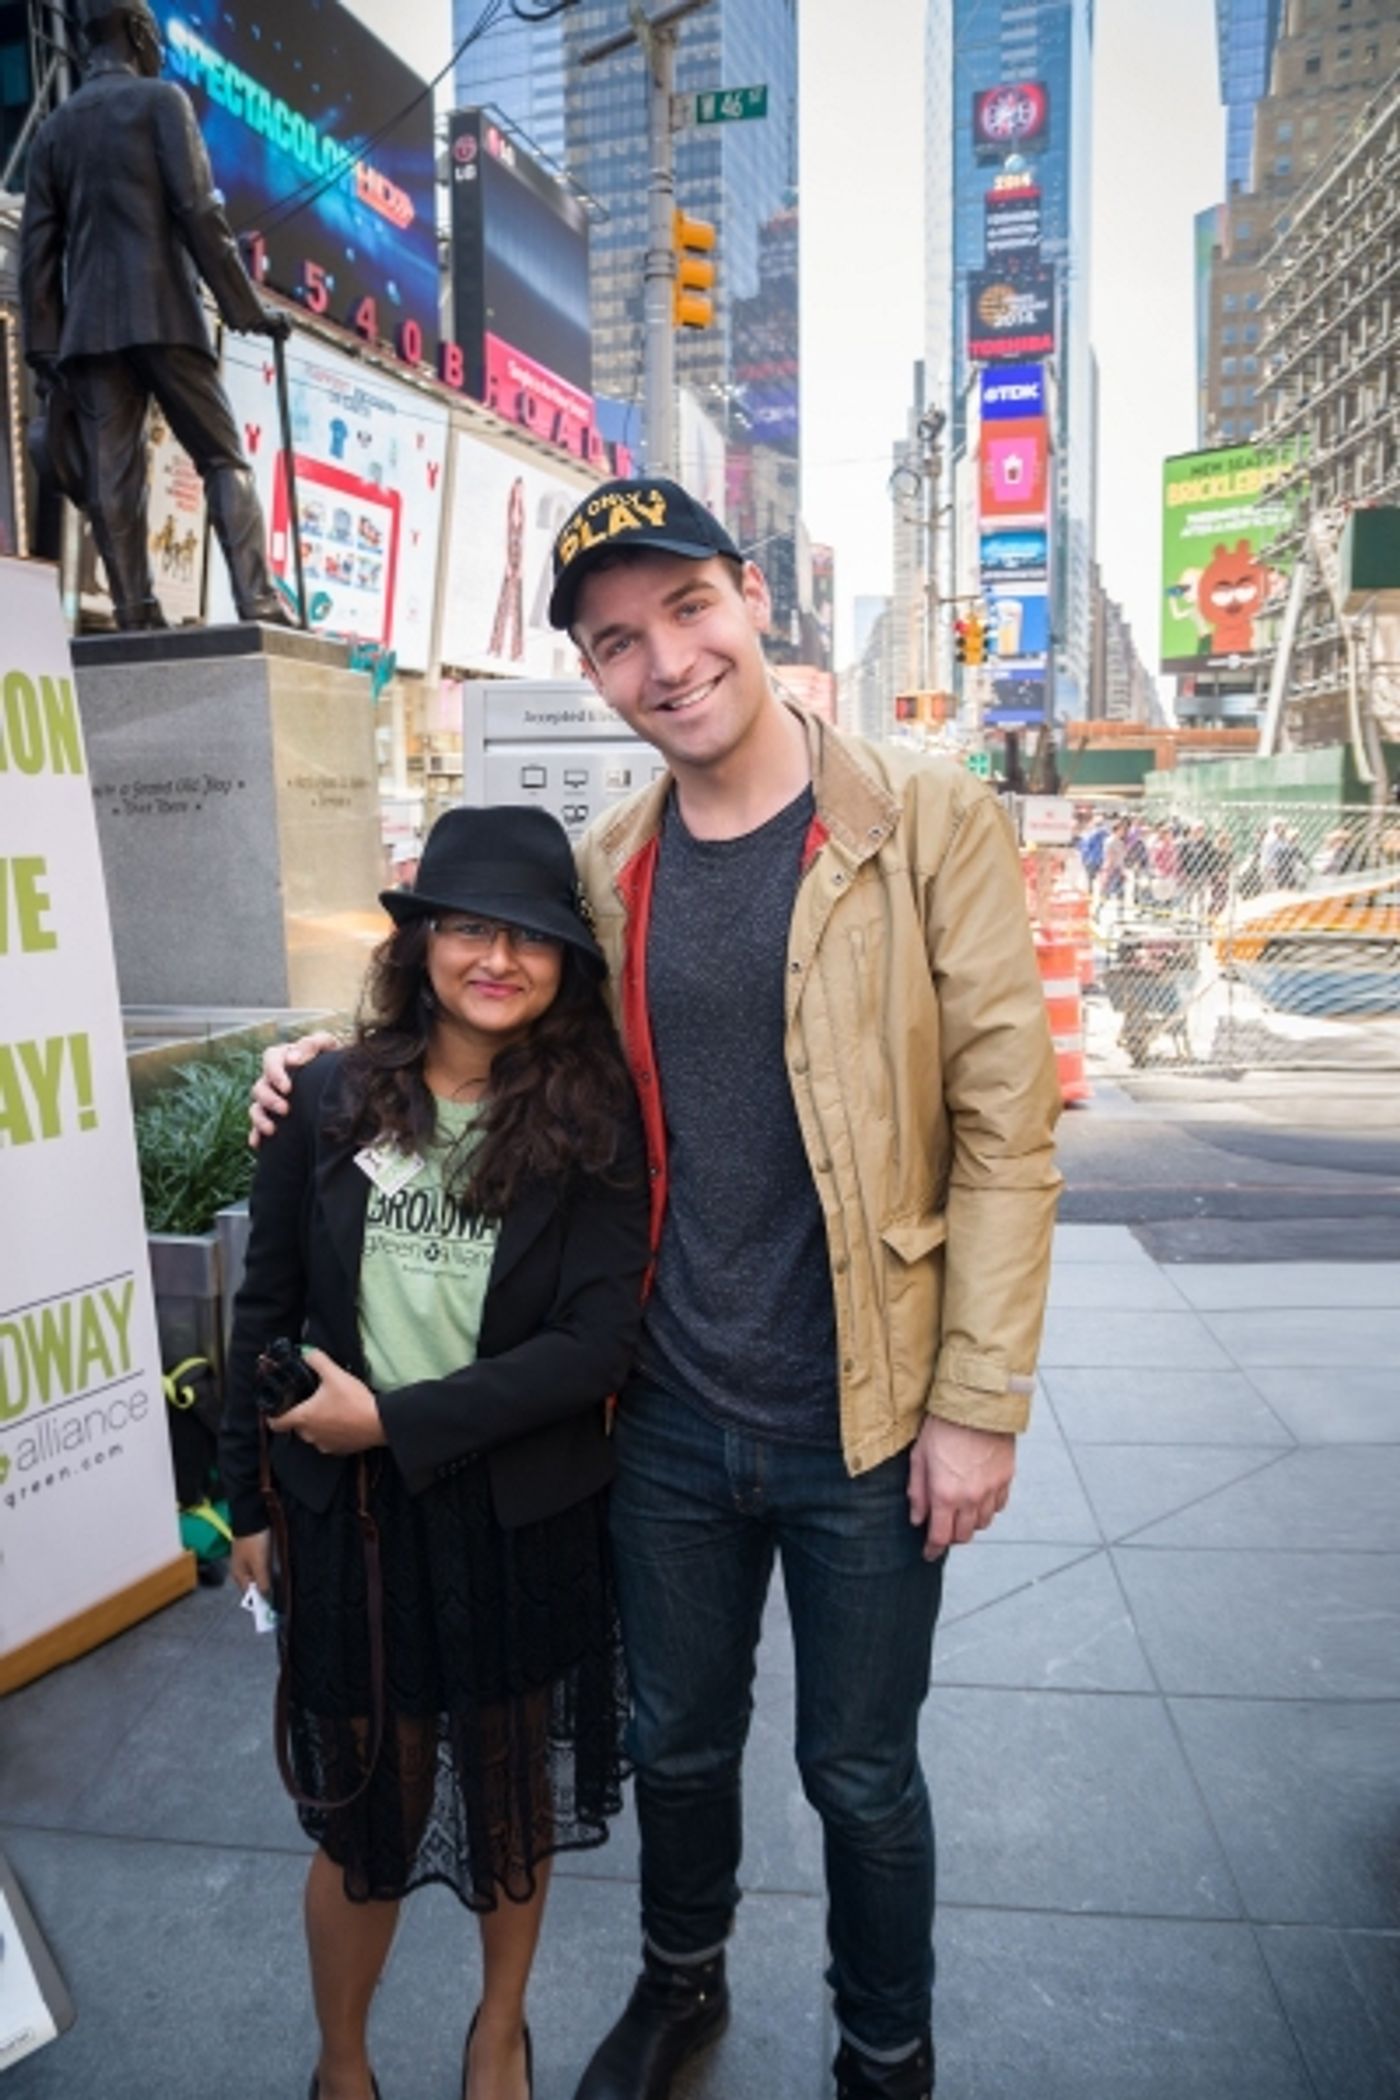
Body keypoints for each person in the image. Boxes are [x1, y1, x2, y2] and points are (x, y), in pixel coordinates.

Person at [253, 476, 1062, 2100]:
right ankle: (679, 1987)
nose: (666, 660)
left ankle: (883, 2046)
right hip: (667, 1419)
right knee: (672, 1746)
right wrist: (334, 1059)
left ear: (751, 597)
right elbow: (492, 1027)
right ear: (597, 676)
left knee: (858, 1772)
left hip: (868, 1407)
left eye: (686, 611)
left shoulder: (922, 823)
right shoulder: (607, 868)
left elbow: (1008, 1129)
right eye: (618, 642)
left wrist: (975, 1405)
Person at [226, 805, 649, 2100]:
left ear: (568, 963)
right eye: (469, 927)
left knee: (510, 1802)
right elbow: (265, 1306)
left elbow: (592, 1347)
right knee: (368, 1807)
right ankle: (343, 2063)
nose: (498, 959)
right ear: (421, 944)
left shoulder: (595, 1124)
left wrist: (398, 1421)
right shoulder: (329, 1097)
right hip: (350, 1523)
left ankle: (497, 2035)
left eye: (530, 938)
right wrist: (243, 1501)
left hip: (519, 1516)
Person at [19, 0, 291, 628]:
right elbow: (200, 211)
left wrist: (43, 353)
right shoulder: (162, 103)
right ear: (141, 33)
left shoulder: (55, 130)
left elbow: (37, 253)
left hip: (88, 332)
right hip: (166, 311)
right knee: (222, 457)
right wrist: (245, 310)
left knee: (114, 477)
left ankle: (134, 611)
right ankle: (256, 599)